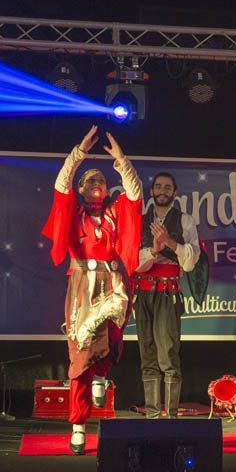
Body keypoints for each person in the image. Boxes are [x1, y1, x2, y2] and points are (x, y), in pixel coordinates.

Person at [41, 126, 142, 454]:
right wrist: (78, 154)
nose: (96, 183)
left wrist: (121, 160)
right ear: (81, 189)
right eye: (89, 180)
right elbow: (60, 186)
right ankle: (79, 426)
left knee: (111, 341)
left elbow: (135, 193)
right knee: (81, 351)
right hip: (83, 287)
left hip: (113, 284)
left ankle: (102, 374)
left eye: (101, 179)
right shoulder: (74, 213)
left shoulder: (115, 213)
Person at [134, 172, 202, 418]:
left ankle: (171, 416)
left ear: (175, 193)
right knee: (147, 355)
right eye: (158, 186)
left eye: (168, 187)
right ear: (151, 191)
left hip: (167, 293)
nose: (162, 190)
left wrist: (170, 244)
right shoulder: (139, 221)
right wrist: (154, 250)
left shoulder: (184, 220)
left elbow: (190, 262)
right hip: (143, 294)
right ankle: (153, 415)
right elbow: (134, 262)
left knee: (169, 355)